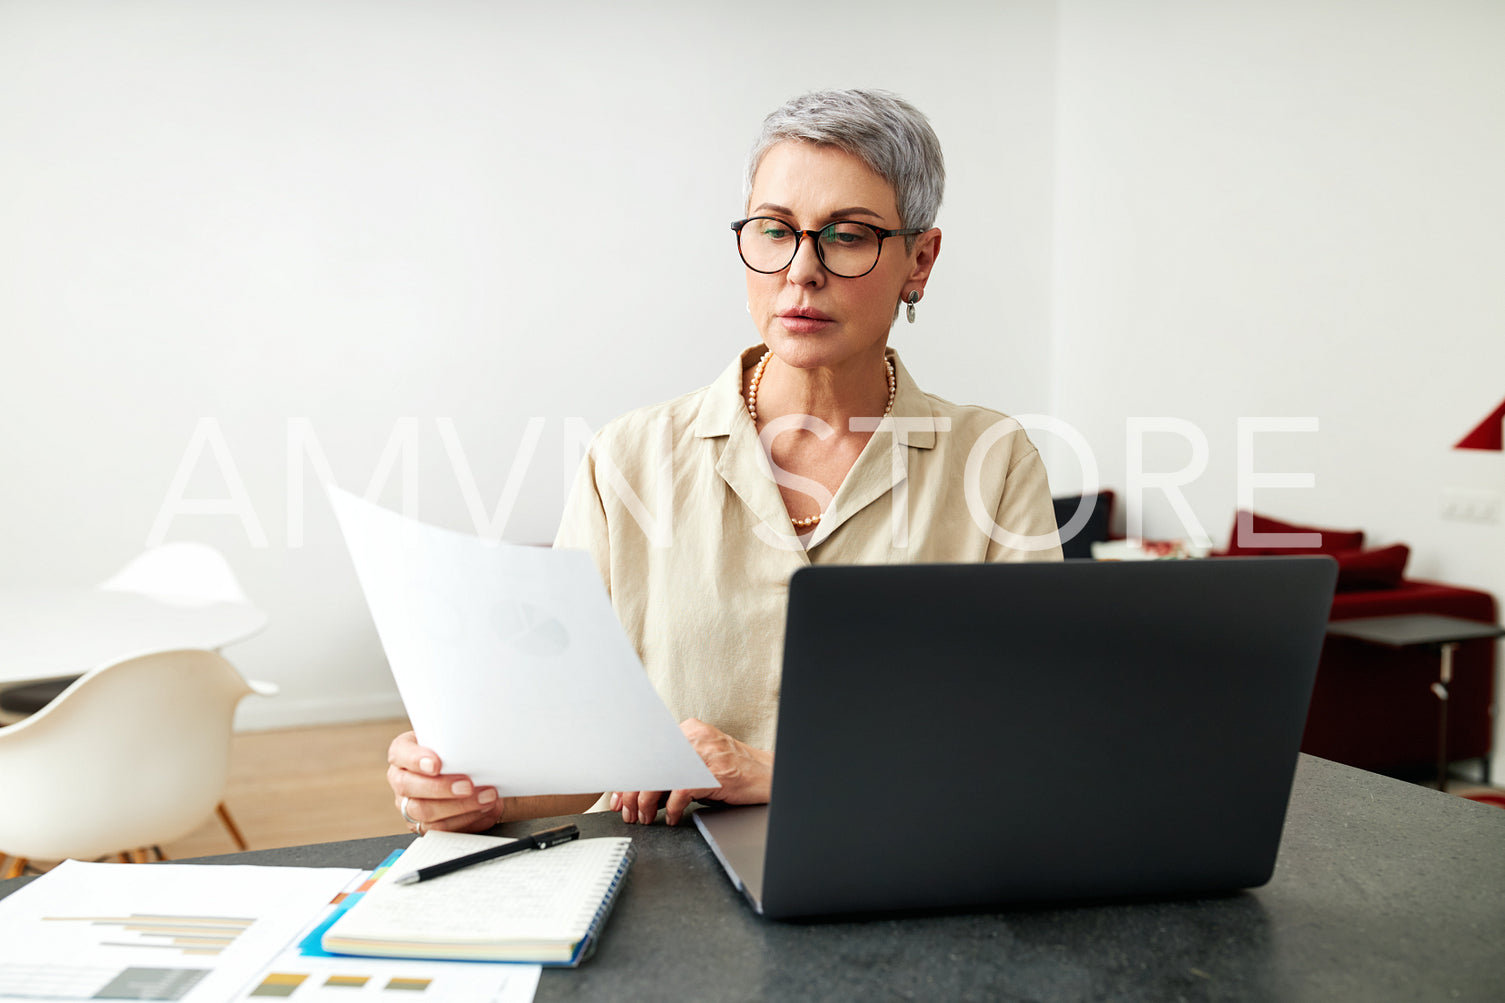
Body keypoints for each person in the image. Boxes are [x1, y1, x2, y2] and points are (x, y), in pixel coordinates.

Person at [386, 88, 1062, 835]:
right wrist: (477, 789)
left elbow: (1029, 742)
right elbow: (563, 750)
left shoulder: (992, 462)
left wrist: (785, 774)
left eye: (847, 236)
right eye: (775, 230)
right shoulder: (629, 459)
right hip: (673, 900)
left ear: (919, 262)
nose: (801, 270)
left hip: (909, 873)